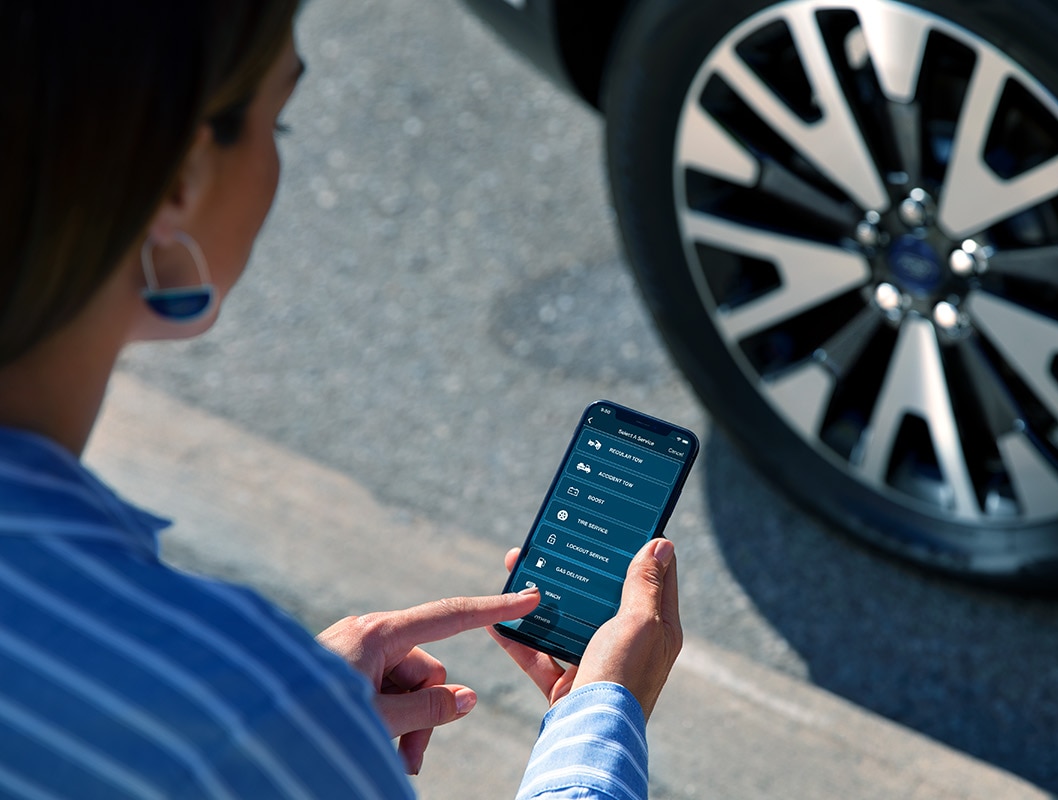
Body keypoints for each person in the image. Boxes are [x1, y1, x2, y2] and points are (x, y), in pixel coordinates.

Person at [0, 2, 681, 798]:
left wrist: (285, 706)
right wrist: (602, 714)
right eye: (277, 124)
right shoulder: (241, 729)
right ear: (180, 183)